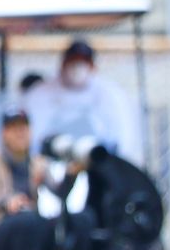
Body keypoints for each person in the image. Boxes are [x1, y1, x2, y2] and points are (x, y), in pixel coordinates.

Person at [0, 108, 94, 250]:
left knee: (82, 219)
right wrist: (5, 200)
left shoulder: (37, 163)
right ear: (4, 133)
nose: (20, 133)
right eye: (14, 128)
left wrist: (70, 175)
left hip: (32, 224)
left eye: (24, 128)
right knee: (28, 222)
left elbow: (60, 193)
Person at [23, 39, 143, 168]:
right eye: (73, 61)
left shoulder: (110, 94)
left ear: (92, 65)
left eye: (83, 61)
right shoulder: (40, 94)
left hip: (98, 166)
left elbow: (122, 137)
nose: (77, 67)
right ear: (63, 64)